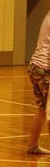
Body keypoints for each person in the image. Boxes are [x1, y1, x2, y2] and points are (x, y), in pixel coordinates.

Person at [27, 10, 50, 155]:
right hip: (44, 69)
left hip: (35, 66)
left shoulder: (47, 15)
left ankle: (33, 145)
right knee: (49, 111)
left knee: (42, 110)